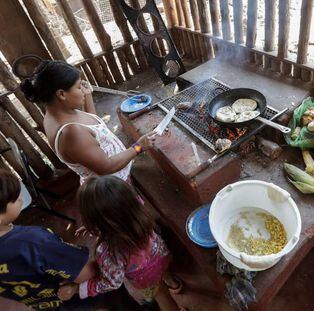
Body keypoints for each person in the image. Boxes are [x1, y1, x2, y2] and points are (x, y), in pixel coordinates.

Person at [58, 176, 185, 310]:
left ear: (96, 221)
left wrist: (79, 289)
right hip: (161, 256)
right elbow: (120, 215)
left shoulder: (108, 251)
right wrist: (96, 227)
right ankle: (174, 283)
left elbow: (112, 283)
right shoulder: (139, 214)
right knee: (164, 273)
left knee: (161, 295)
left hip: (146, 279)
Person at [20, 60, 155, 185]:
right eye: (78, 87)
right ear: (61, 94)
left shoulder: (57, 114)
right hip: (113, 183)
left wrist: (87, 95)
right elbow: (107, 167)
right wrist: (138, 147)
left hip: (116, 173)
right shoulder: (71, 133)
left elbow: (90, 125)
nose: (82, 89)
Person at [0, 169, 96, 310]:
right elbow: (84, 272)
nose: (21, 198)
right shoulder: (34, 242)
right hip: (78, 301)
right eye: (14, 197)